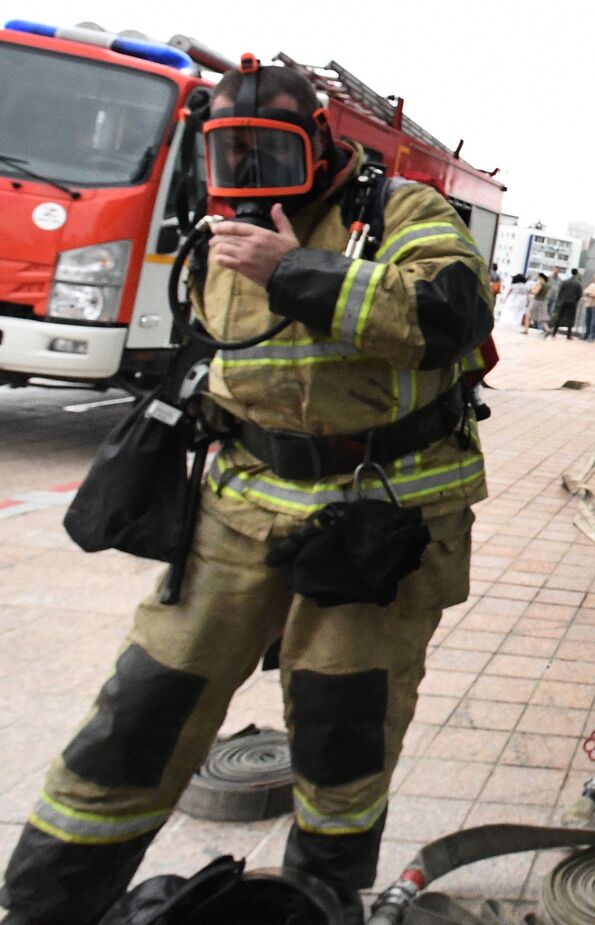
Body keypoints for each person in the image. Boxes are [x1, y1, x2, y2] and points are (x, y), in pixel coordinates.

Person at [1, 60, 494, 925]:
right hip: (239, 506)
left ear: (322, 143)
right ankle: (47, 900)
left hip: (378, 518)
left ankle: (321, 895)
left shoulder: (400, 213)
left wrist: (297, 270)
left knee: (347, 719)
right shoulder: (214, 233)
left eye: (271, 153)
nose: (253, 178)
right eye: (234, 157)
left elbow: (450, 316)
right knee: (147, 702)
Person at [546, 268, 583, 339]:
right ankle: (568, 335)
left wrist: (561, 299)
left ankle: (554, 333)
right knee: (571, 318)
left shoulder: (565, 282)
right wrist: (575, 300)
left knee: (560, 316)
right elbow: (579, 294)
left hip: (564, 301)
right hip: (572, 302)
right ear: (576, 274)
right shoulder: (578, 284)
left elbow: (560, 291)